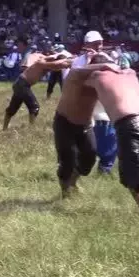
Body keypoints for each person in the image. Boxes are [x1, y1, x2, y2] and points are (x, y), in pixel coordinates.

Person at [83, 54, 139, 223]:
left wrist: (87, 61)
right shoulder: (130, 75)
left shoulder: (97, 76)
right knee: (127, 172)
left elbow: (78, 74)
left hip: (129, 123)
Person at [53, 58, 122, 196]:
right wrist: (105, 65)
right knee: (68, 159)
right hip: (64, 123)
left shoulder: (100, 83)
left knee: (89, 158)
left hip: (85, 124)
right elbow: (76, 70)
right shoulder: (76, 76)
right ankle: (65, 191)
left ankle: (72, 181)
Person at [3, 52, 73, 130]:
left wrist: (70, 61)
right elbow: (56, 64)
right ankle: (31, 129)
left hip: (20, 85)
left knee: (13, 108)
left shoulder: (48, 65)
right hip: (22, 85)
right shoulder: (42, 62)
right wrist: (66, 61)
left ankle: (4, 128)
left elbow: (57, 66)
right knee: (34, 107)